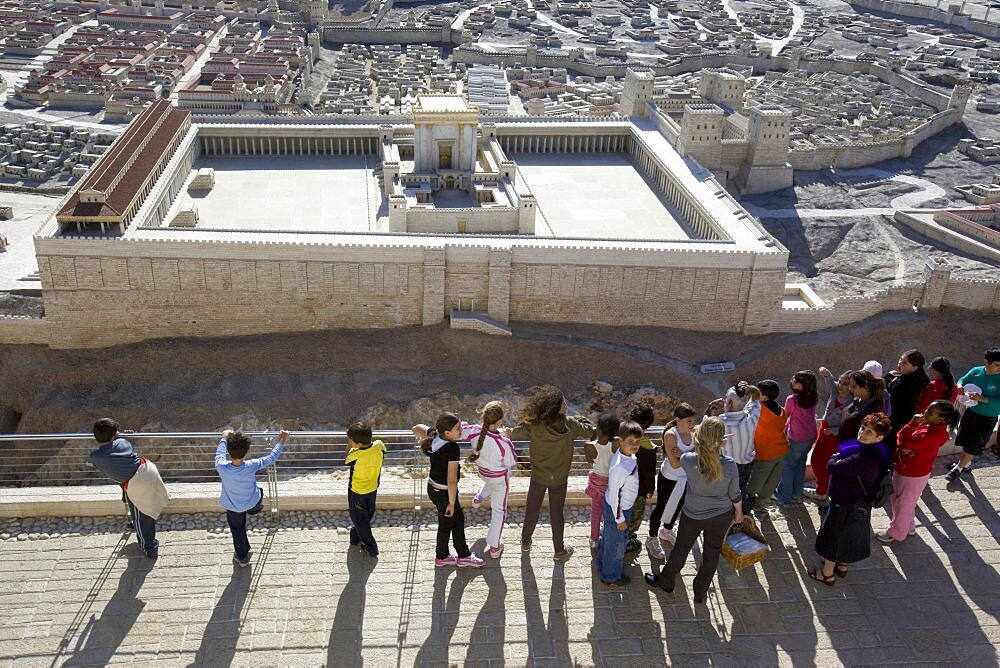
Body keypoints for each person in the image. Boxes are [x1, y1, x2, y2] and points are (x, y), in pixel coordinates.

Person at [644, 417, 743, 603]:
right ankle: (700, 592)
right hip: (721, 516)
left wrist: (704, 435)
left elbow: (693, 452)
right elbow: (735, 493)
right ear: (721, 440)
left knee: (681, 550)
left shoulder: (688, 460)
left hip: (693, 515)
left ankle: (666, 581)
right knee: (711, 554)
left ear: (699, 437)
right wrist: (739, 512)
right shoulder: (730, 465)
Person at [808, 413, 891, 585]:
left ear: (879, 437)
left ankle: (827, 574)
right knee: (848, 535)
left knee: (833, 538)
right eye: (863, 428)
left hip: (845, 502)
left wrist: (833, 457)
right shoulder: (877, 452)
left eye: (869, 432)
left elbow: (832, 468)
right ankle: (842, 566)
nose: (863, 433)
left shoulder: (861, 456)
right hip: (860, 502)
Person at [512, 385, 592, 560]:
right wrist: (580, 419)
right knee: (557, 513)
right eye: (563, 402)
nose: (566, 404)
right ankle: (559, 551)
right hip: (559, 479)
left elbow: (514, 434)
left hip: (538, 477)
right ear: (557, 406)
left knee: (532, 510)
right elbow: (591, 431)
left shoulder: (534, 425)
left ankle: (525, 542)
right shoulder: (570, 424)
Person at [877, 401, 956, 543]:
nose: (925, 413)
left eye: (930, 413)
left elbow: (903, 442)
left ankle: (896, 533)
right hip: (906, 468)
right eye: (927, 410)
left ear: (941, 419)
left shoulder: (933, 434)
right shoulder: (928, 426)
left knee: (904, 503)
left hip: (913, 473)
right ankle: (908, 527)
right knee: (902, 501)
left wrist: (911, 425)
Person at [413, 414, 485, 568]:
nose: (461, 431)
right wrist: (451, 503)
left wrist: (428, 433)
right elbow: (451, 480)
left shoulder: (435, 435)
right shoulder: (452, 448)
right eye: (458, 429)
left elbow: (416, 428)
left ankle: (453, 555)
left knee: (454, 521)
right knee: (450, 522)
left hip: (433, 488)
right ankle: (447, 556)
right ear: (447, 433)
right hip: (445, 492)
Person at [88, 418, 164, 559]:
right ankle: (138, 530)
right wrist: (120, 435)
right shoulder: (123, 443)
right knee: (140, 510)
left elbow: (103, 452)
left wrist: (113, 435)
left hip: (136, 481)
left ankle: (149, 548)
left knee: (142, 514)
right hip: (144, 472)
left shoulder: (95, 457)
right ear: (114, 435)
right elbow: (118, 442)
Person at [215, 428, 287, 567]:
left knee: (237, 530)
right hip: (251, 501)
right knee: (259, 491)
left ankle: (242, 558)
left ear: (229, 452)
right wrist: (282, 440)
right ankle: (254, 509)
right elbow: (271, 458)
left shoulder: (221, 466)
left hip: (233, 506)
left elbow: (219, 454)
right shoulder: (251, 465)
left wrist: (224, 438)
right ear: (247, 451)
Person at [646, 403, 698, 557]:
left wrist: (683, 454)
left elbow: (694, 455)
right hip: (670, 477)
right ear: (678, 420)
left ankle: (666, 531)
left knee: (678, 505)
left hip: (686, 477)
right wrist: (694, 455)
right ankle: (652, 537)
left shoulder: (694, 432)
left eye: (692, 421)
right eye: (688, 421)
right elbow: (675, 464)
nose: (692, 424)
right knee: (662, 507)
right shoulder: (670, 435)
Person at [596, 421, 644, 587]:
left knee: (609, 540)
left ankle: (602, 565)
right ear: (620, 441)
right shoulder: (619, 467)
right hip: (619, 510)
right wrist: (620, 518)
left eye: (637, 442)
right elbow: (616, 494)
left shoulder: (626, 456)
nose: (635, 445)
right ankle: (610, 577)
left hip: (617, 507)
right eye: (631, 442)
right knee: (616, 545)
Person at [467, 401, 517, 559]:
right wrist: (508, 438)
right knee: (499, 511)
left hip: (483, 473)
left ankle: (478, 499)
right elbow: (511, 462)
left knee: (491, 479)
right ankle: (495, 546)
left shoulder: (473, 431)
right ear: (500, 422)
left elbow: (461, 431)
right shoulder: (504, 442)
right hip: (498, 480)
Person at [945, 348, 1000, 482]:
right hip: (971, 413)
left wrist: (983, 399)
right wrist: (960, 386)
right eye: (997, 365)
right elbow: (962, 380)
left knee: (974, 444)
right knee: (966, 440)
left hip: (988, 418)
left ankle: (957, 469)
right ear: (986, 362)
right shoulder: (976, 372)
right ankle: (966, 464)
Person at [804, 368, 853, 503]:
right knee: (816, 459)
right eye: (841, 382)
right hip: (823, 432)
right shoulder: (835, 392)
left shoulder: (851, 403)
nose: (841, 386)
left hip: (834, 437)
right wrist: (827, 373)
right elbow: (832, 383)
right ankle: (821, 484)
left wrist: (833, 431)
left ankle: (822, 490)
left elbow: (847, 426)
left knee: (828, 463)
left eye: (845, 384)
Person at [743, 380, 788, 512]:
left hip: (765, 452)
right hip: (782, 449)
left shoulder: (759, 409)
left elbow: (746, 414)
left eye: (758, 392)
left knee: (757, 479)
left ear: (764, 397)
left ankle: (748, 500)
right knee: (773, 480)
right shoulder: (782, 410)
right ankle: (763, 501)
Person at [775, 371, 819, 504]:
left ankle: (784, 495)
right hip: (810, 436)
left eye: (796, 380)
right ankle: (797, 493)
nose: (792, 380)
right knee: (800, 465)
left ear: (802, 385)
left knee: (788, 466)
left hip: (796, 438)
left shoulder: (792, 400)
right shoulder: (814, 397)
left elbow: (785, 416)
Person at [345, 422, 385, 558]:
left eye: (350, 440)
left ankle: (371, 548)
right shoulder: (379, 445)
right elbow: (382, 450)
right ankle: (355, 537)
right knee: (366, 515)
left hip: (357, 492)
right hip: (373, 488)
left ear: (357, 443)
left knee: (360, 519)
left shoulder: (355, 455)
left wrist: (350, 446)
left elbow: (346, 460)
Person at [719, 382, 762, 497]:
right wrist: (750, 388)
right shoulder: (752, 416)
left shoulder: (720, 422)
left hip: (728, 466)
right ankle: (740, 511)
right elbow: (757, 395)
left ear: (728, 402)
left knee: (727, 492)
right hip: (747, 463)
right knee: (740, 488)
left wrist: (709, 409)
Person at [885, 349, 930, 458]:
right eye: (900, 360)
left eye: (904, 363)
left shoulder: (902, 384)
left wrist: (888, 378)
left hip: (895, 422)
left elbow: (886, 395)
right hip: (909, 422)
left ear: (914, 368)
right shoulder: (923, 380)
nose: (900, 363)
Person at [584, 413, 620, 550]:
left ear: (598, 429)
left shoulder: (589, 446)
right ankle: (608, 536)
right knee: (609, 511)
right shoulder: (617, 443)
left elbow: (589, 461)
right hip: (611, 483)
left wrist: (594, 435)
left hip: (597, 482)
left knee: (596, 512)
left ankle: (594, 539)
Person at [625, 401, 657, 556]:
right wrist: (650, 488)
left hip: (621, 487)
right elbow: (649, 473)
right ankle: (627, 541)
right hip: (638, 490)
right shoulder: (649, 448)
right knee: (635, 515)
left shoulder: (622, 439)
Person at [838, 370, 885, 443]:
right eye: (850, 385)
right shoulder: (857, 399)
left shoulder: (872, 410)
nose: (850, 389)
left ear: (865, 387)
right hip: (843, 446)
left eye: (854, 386)